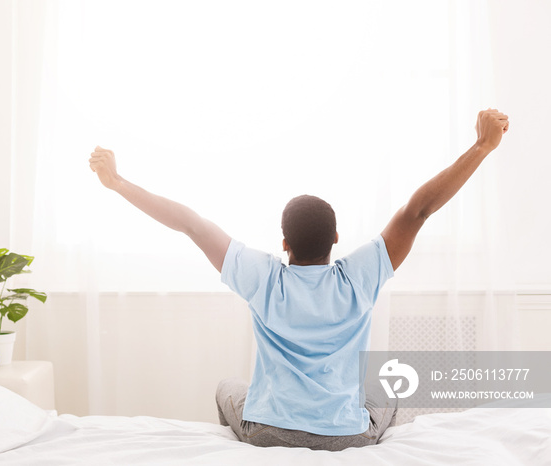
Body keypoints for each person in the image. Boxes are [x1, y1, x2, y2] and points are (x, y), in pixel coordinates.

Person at [89, 109, 509, 451]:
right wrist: (482, 146)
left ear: (284, 243)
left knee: (227, 388)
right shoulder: (358, 277)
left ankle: (247, 447)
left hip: (267, 431)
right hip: (347, 436)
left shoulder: (264, 278)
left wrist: (117, 182)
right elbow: (418, 211)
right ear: (337, 240)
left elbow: (192, 225)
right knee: (386, 392)